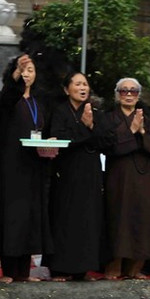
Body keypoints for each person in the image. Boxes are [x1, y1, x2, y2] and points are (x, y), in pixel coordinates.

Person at [45, 71, 112, 281]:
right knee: (64, 219)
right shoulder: (59, 111)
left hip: (90, 172)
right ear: (67, 89)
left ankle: (83, 269)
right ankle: (59, 268)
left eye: (85, 84)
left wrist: (90, 126)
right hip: (66, 172)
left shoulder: (95, 112)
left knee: (88, 220)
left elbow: (107, 141)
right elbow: (60, 139)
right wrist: (85, 130)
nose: (83, 88)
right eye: (78, 84)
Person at [0, 54, 53, 283]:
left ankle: (24, 271)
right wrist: (16, 75)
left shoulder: (38, 102)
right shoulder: (9, 98)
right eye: (22, 70)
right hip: (12, 166)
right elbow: (7, 97)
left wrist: (50, 143)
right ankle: (9, 271)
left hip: (34, 164)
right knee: (12, 217)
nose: (27, 75)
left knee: (31, 217)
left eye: (31, 70)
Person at [104, 78, 150, 279]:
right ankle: (114, 265)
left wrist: (142, 131)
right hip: (119, 175)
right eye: (124, 91)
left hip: (144, 176)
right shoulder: (109, 118)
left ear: (139, 95)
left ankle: (135, 267)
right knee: (119, 218)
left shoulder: (147, 117)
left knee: (142, 218)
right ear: (117, 94)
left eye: (133, 91)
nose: (129, 94)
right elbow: (110, 146)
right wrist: (131, 131)